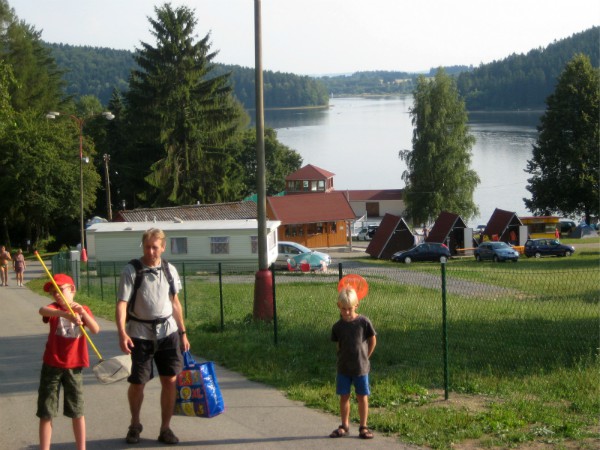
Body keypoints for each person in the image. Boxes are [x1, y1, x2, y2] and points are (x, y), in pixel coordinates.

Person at [116, 228, 190, 445]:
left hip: (168, 334)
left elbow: (175, 303)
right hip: (139, 335)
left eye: (155, 247)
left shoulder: (169, 270)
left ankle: (165, 429)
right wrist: (122, 333)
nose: (150, 251)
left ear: (163, 247)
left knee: (170, 380)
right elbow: (121, 304)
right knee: (138, 382)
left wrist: (183, 333)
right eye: (147, 247)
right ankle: (135, 424)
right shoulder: (131, 270)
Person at [37, 273, 100, 450]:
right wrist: (63, 314)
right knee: (46, 411)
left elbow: (95, 329)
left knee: (77, 411)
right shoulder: (54, 308)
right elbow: (42, 310)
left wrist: (82, 314)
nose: (56, 294)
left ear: (72, 290)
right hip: (52, 365)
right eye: (53, 292)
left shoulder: (83, 309)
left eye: (60, 289)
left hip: (75, 367)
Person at [329, 287, 377, 440]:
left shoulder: (363, 322)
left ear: (356, 305)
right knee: (344, 396)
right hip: (343, 368)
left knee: (362, 396)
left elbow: (372, 340)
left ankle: (363, 426)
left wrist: (366, 357)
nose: (347, 312)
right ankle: (344, 425)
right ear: (338, 306)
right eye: (343, 309)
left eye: (350, 309)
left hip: (360, 369)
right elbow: (338, 345)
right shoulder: (337, 327)